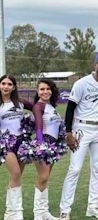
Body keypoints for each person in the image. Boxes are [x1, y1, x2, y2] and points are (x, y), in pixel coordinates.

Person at [59, 52, 98, 219]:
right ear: (95, 65)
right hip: (81, 128)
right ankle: (65, 210)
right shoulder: (81, 83)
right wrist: (68, 132)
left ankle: (93, 207)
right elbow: (70, 108)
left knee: (97, 169)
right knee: (75, 169)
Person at [32, 79, 67, 220]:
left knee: (45, 179)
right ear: (37, 91)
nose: (45, 91)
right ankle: (38, 214)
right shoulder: (38, 106)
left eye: (47, 89)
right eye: (42, 89)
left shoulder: (51, 106)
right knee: (43, 177)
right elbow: (39, 125)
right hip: (43, 143)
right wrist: (40, 144)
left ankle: (44, 212)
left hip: (52, 146)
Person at [1, 75, 33, 220]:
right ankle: (16, 212)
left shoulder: (20, 103)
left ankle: (10, 213)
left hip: (21, 143)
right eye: (3, 83)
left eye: (9, 84)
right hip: (5, 143)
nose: (6, 86)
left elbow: (37, 108)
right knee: (15, 173)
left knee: (15, 176)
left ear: (14, 87)